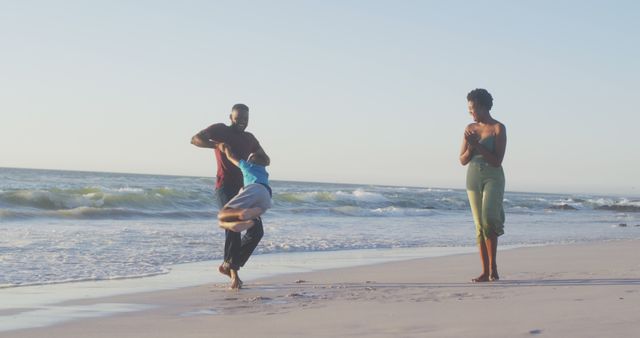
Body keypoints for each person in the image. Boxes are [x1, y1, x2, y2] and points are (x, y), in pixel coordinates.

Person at [191, 103, 270, 289]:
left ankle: (229, 264)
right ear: (230, 117)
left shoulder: (249, 138)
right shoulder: (219, 130)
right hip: (224, 187)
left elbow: (265, 158)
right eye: (238, 118)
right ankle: (234, 274)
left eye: (245, 119)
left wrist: (255, 160)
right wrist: (217, 144)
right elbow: (195, 139)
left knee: (256, 231)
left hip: (245, 190)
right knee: (234, 226)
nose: (242, 122)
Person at [459, 88, 507, 283]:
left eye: (472, 108)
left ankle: (494, 268)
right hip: (473, 177)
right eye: (469, 109)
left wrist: (477, 145)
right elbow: (462, 160)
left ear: (482, 106)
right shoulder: (470, 128)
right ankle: (485, 271)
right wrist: (471, 146)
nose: (470, 112)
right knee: (479, 224)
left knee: (489, 219)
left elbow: (497, 161)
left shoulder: (498, 128)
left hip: (493, 177)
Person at [216, 143, 272, 233]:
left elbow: (230, 156)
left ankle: (242, 215)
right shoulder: (264, 170)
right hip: (266, 195)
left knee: (222, 214)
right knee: (235, 216)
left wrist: (225, 148)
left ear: (250, 160)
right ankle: (242, 220)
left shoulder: (248, 166)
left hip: (255, 188)